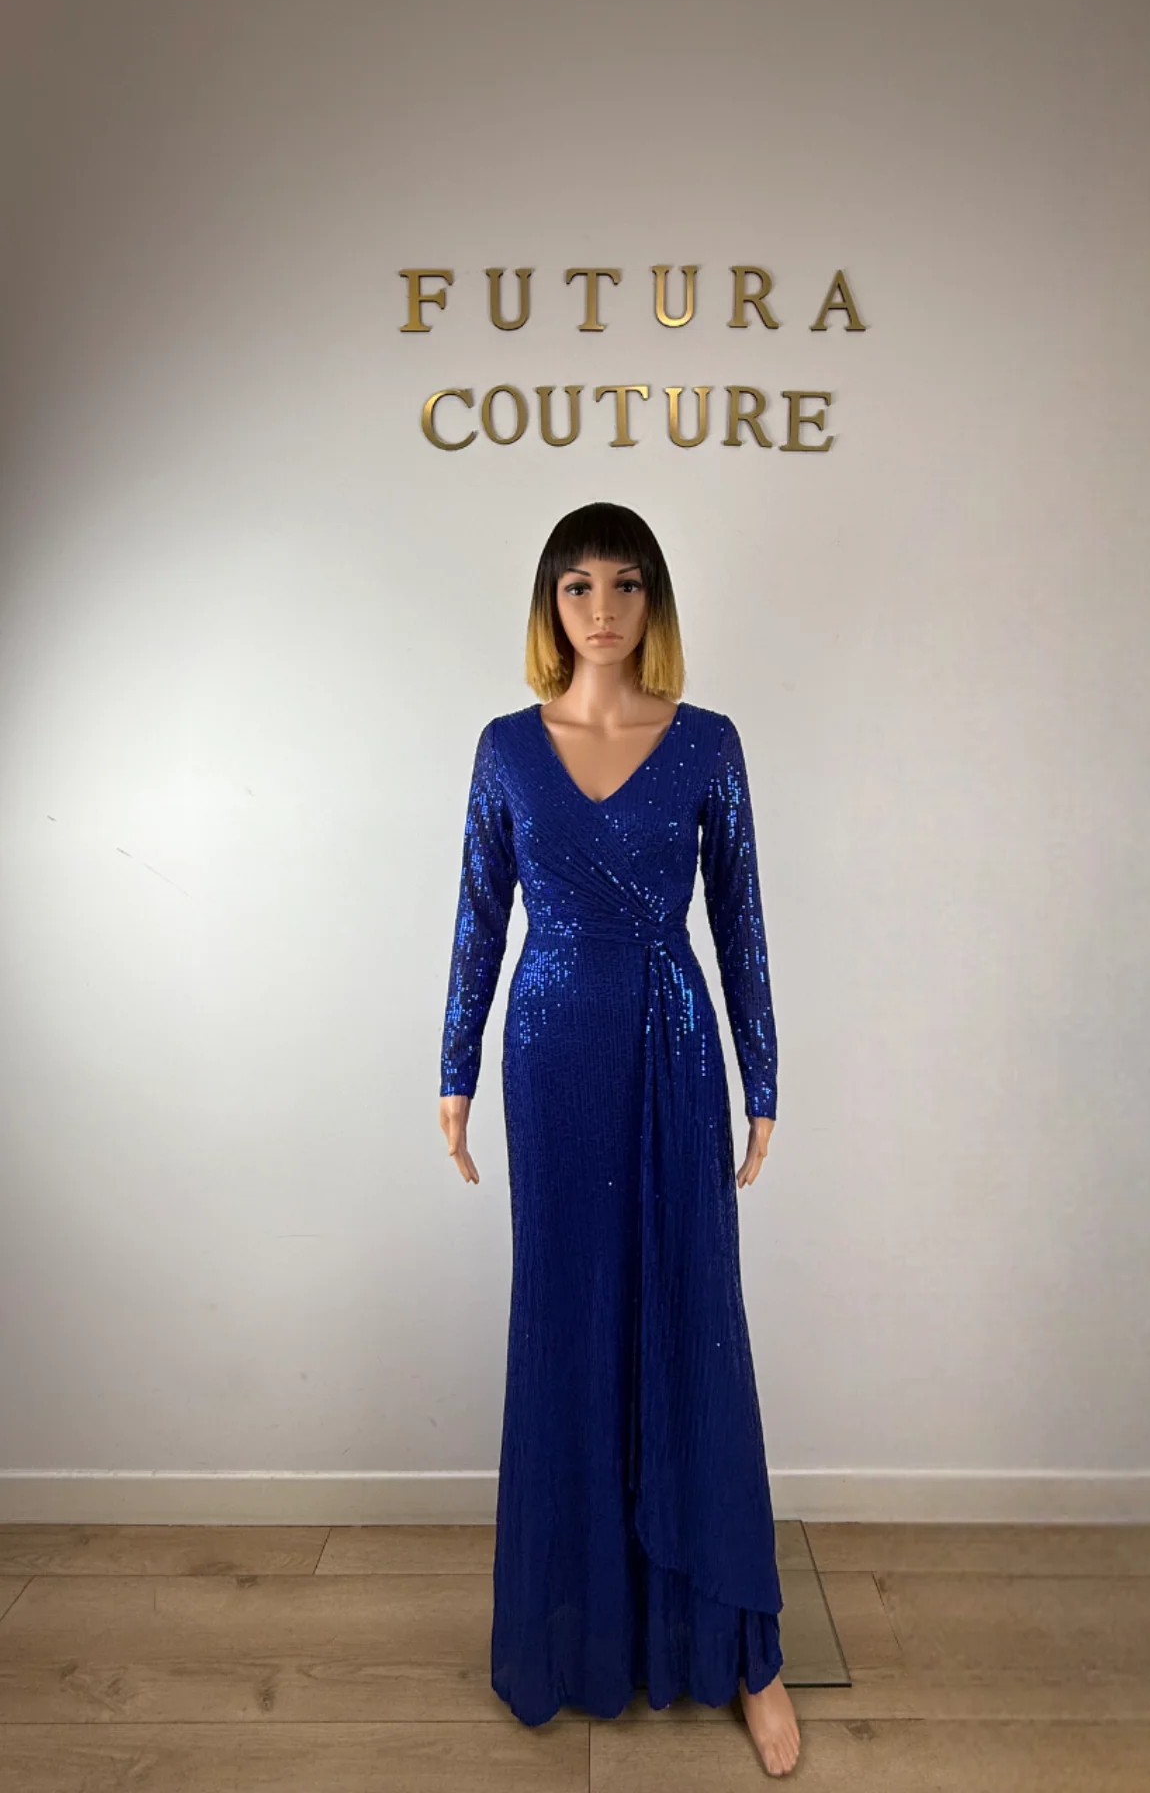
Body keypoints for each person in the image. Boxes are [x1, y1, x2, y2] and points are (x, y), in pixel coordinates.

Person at [438, 502, 801, 1776]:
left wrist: (764, 1077)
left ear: (655, 604)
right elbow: (479, 917)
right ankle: (580, 1623)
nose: (603, 609)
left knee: (695, 1316)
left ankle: (743, 1650)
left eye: (627, 584)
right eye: (579, 585)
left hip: (675, 1046)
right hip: (551, 1053)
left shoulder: (707, 743)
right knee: (570, 1320)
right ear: (552, 604)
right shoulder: (505, 748)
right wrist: (453, 1071)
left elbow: (741, 920)